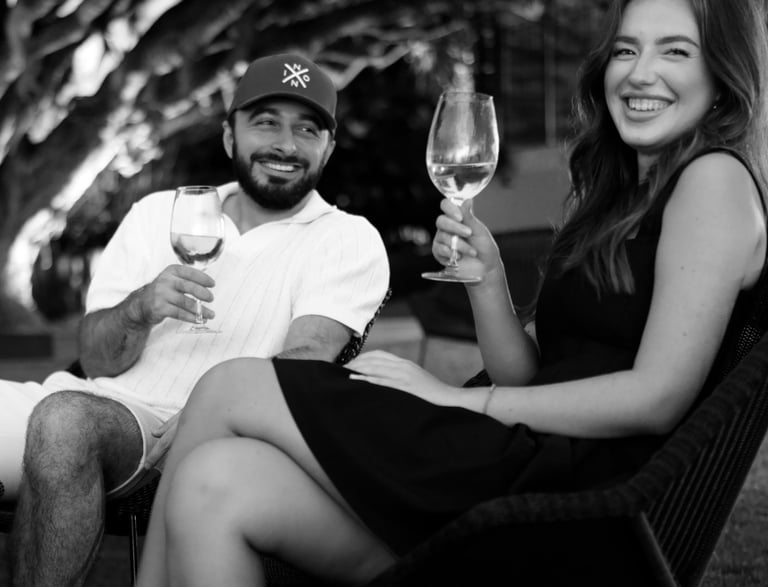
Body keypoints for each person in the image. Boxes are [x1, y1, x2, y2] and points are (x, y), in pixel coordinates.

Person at [136, 0, 768, 585]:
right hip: (523, 464)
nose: (640, 73)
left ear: (722, 73)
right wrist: (488, 281)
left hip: (576, 498)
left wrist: (456, 403)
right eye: (627, 50)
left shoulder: (713, 181)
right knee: (211, 484)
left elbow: (656, 398)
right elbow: (526, 375)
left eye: (675, 52)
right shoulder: (619, 195)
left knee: (233, 385)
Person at [1, 52, 390, 586]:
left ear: (329, 148)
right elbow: (94, 357)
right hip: (87, 398)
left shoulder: (346, 237)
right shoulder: (159, 212)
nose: (286, 144)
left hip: (194, 434)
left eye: (307, 129)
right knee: (61, 414)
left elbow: (306, 362)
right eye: (266, 122)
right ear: (230, 137)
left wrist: (211, 406)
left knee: (65, 421)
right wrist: (139, 308)